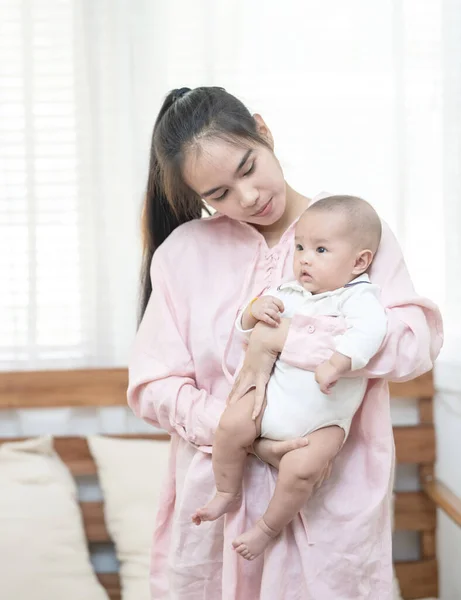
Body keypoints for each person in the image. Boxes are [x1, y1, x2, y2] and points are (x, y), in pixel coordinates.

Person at [127, 86, 443, 600]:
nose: (247, 198)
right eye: (219, 195)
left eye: (248, 168)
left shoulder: (350, 227)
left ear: (263, 130)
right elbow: (153, 386)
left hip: (329, 502)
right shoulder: (184, 254)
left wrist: (290, 342)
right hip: (216, 508)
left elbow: (415, 345)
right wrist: (245, 435)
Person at [192, 195, 388, 562]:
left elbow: (372, 331)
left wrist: (340, 361)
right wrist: (254, 312)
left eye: (321, 249)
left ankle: (267, 527)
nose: (304, 258)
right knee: (232, 423)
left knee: (303, 470)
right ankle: (225, 490)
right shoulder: (290, 291)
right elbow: (246, 329)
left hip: (323, 422)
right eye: (299, 247)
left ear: (359, 262)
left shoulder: (358, 298)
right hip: (271, 404)